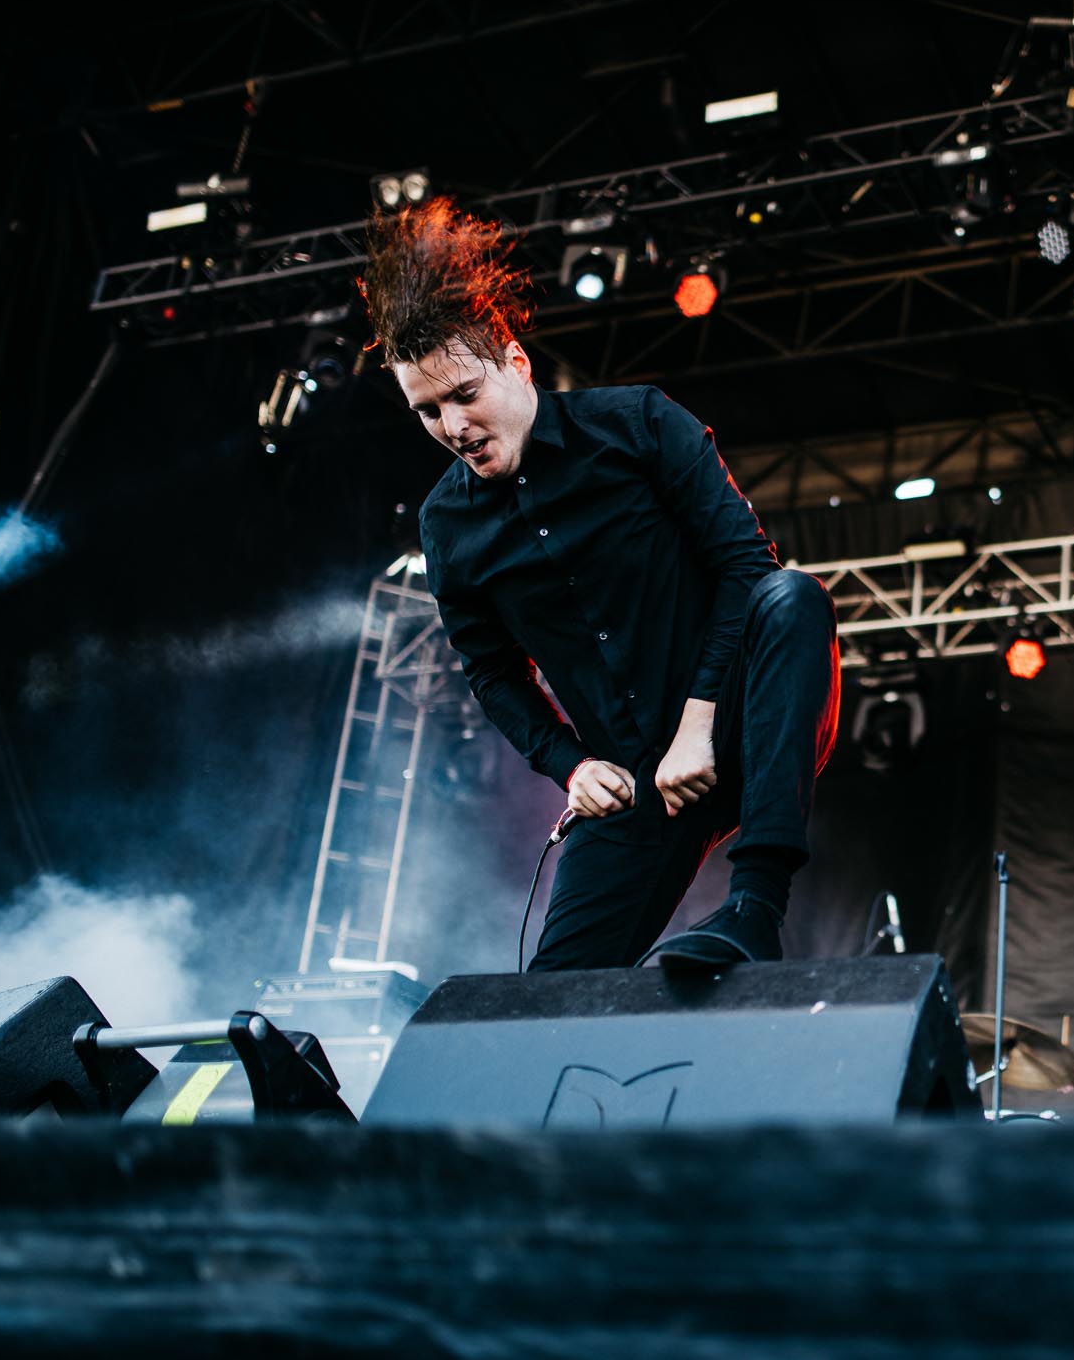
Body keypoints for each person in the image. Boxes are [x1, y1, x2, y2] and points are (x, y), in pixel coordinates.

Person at [358, 198, 839, 972]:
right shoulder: (446, 523)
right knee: (551, 1004)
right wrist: (572, 767)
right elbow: (492, 673)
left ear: (515, 362)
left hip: (736, 717)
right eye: (428, 411)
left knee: (793, 598)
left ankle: (757, 904)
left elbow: (746, 567)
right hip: (632, 780)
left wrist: (696, 726)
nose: (453, 426)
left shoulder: (638, 424)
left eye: (465, 394)